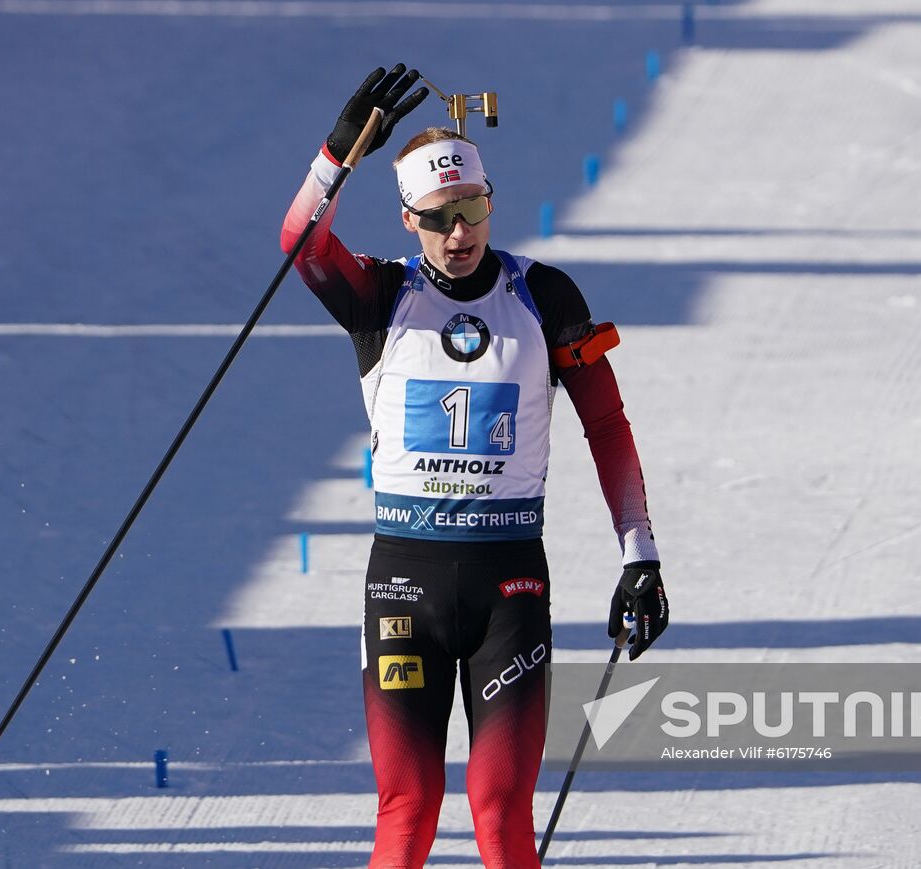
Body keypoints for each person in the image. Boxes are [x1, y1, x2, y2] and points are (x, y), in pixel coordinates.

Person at [279, 64, 670, 869]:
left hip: (509, 593)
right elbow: (300, 243)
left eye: (474, 210)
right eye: (439, 218)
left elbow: (606, 423)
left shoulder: (546, 296)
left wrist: (641, 555)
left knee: (499, 813)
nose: (460, 234)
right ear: (408, 219)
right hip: (403, 587)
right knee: (408, 807)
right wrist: (336, 155)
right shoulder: (380, 298)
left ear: (490, 201)